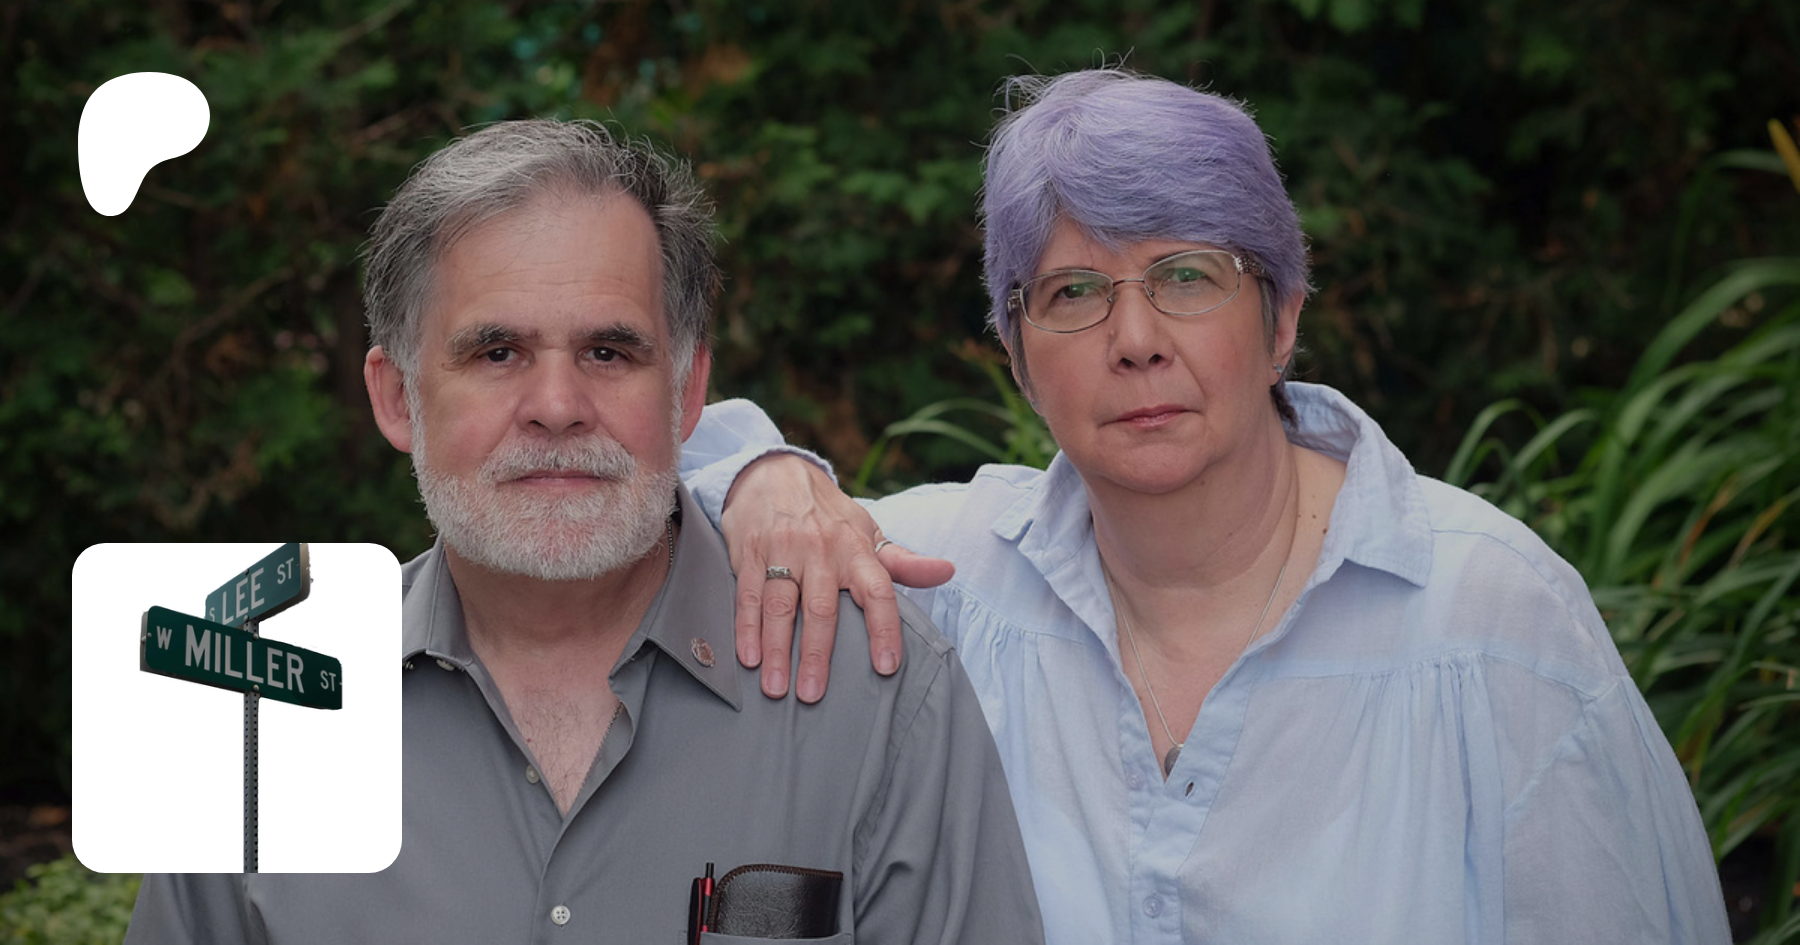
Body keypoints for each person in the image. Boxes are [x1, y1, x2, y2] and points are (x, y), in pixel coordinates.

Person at [681, 69, 1732, 942]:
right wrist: (772, 475)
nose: (1135, 339)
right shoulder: (946, 583)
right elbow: (640, 486)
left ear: (1283, 320)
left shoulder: (1493, 623)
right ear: (1017, 357)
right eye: (1074, 292)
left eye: (1187, 277)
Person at [125, 119, 1043, 944]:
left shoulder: (878, 695)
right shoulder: (260, 722)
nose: (557, 405)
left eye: (608, 351)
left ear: (687, 391)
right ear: (397, 397)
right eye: (497, 352)